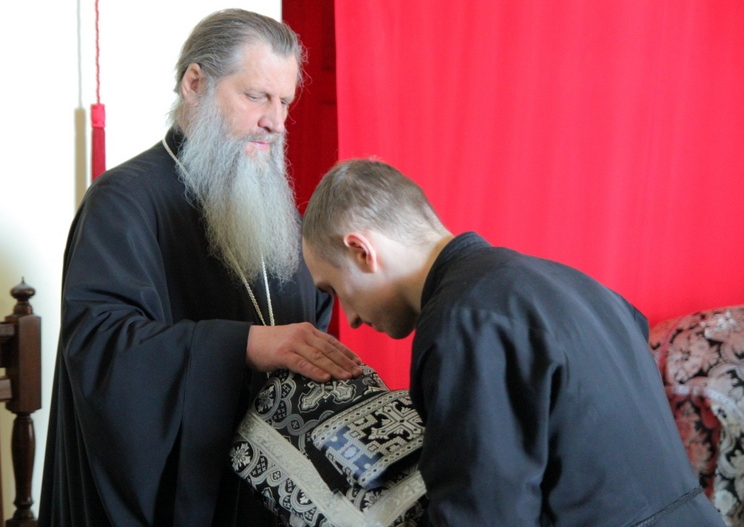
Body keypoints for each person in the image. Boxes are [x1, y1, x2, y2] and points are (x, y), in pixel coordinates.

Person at [40, 9, 362, 526]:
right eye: (256, 96)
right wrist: (246, 345)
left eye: (284, 102)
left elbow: (309, 315)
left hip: (268, 494)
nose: (276, 122)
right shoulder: (123, 201)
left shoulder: (273, 205)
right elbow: (102, 349)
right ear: (195, 84)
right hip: (182, 500)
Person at [300, 158, 726, 526]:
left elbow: (482, 516)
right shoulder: (576, 286)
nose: (349, 319)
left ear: (361, 251)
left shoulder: (463, 321)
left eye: (334, 290)